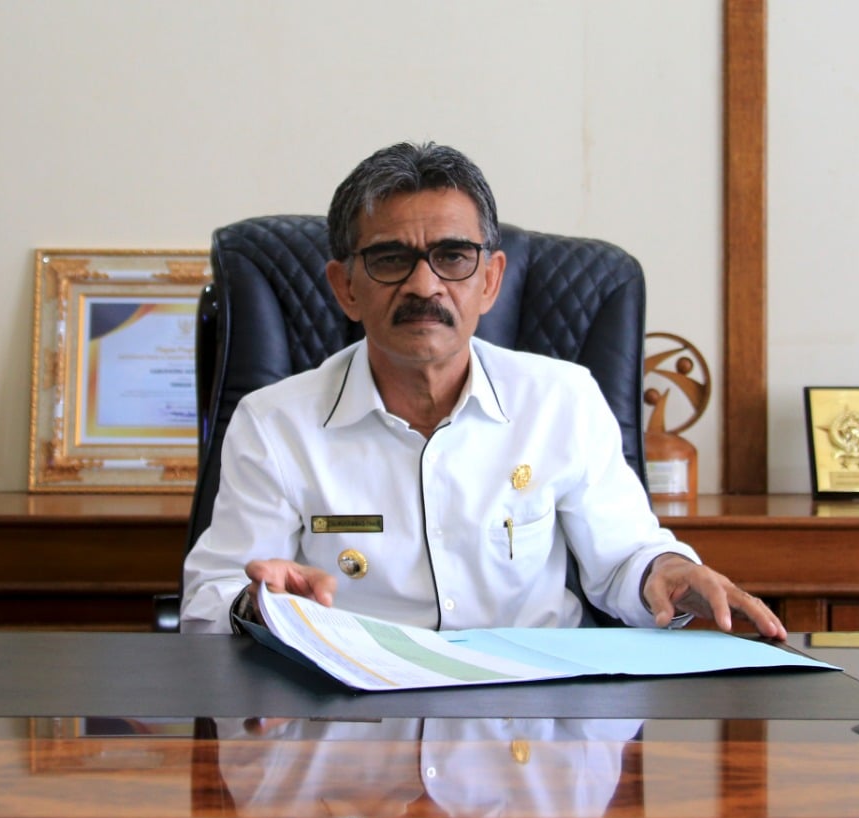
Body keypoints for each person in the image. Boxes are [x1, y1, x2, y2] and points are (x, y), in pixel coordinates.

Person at [181, 141, 785, 640]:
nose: (424, 286)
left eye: (452, 257)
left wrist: (669, 570)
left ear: (491, 281)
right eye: (390, 259)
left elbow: (624, 558)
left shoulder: (563, 400)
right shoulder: (274, 423)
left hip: (536, 714)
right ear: (345, 288)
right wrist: (257, 605)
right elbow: (210, 600)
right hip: (355, 712)